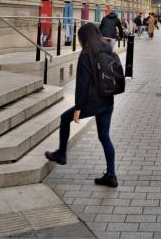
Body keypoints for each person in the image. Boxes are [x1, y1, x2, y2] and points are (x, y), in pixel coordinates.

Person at [45, 23, 117, 187]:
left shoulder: (86, 53)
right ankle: (111, 175)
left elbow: (82, 83)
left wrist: (78, 108)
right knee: (104, 137)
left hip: (93, 102)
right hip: (108, 100)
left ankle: (61, 154)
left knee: (65, 118)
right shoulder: (107, 47)